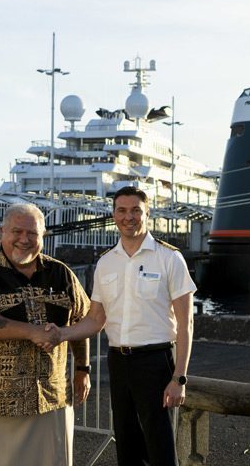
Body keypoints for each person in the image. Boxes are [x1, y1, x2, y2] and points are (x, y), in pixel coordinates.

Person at [55, 186, 196, 466]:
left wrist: (179, 378)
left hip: (155, 361)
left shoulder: (169, 258)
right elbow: (96, 319)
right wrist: (61, 333)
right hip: (118, 361)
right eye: (121, 210)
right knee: (127, 442)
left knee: (160, 445)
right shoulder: (106, 262)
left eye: (135, 210)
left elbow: (186, 323)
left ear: (147, 213)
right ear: (113, 214)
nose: (128, 217)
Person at [0, 203, 91, 466]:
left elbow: (81, 320)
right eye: (17, 231)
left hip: (50, 400)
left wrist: (83, 369)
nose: (24, 239)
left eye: (32, 233)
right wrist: (33, 332)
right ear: (2, 232)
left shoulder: (61, 273)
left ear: (43, 236)